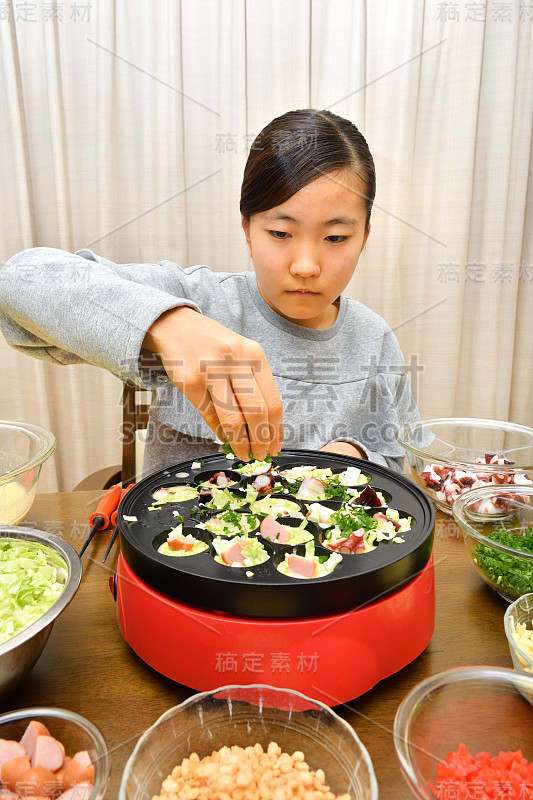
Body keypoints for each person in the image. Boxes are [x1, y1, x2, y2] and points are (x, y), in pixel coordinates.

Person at [0, 109, 419, 476]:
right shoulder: (201, 300)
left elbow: (406, 460)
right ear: (247, 230)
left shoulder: (375, 340)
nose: (305, 266)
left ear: (364, 236)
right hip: (176, 555)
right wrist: (168, 323)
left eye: (336, 237)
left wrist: (356, 456)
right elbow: (20, 281)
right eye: (279, 233)